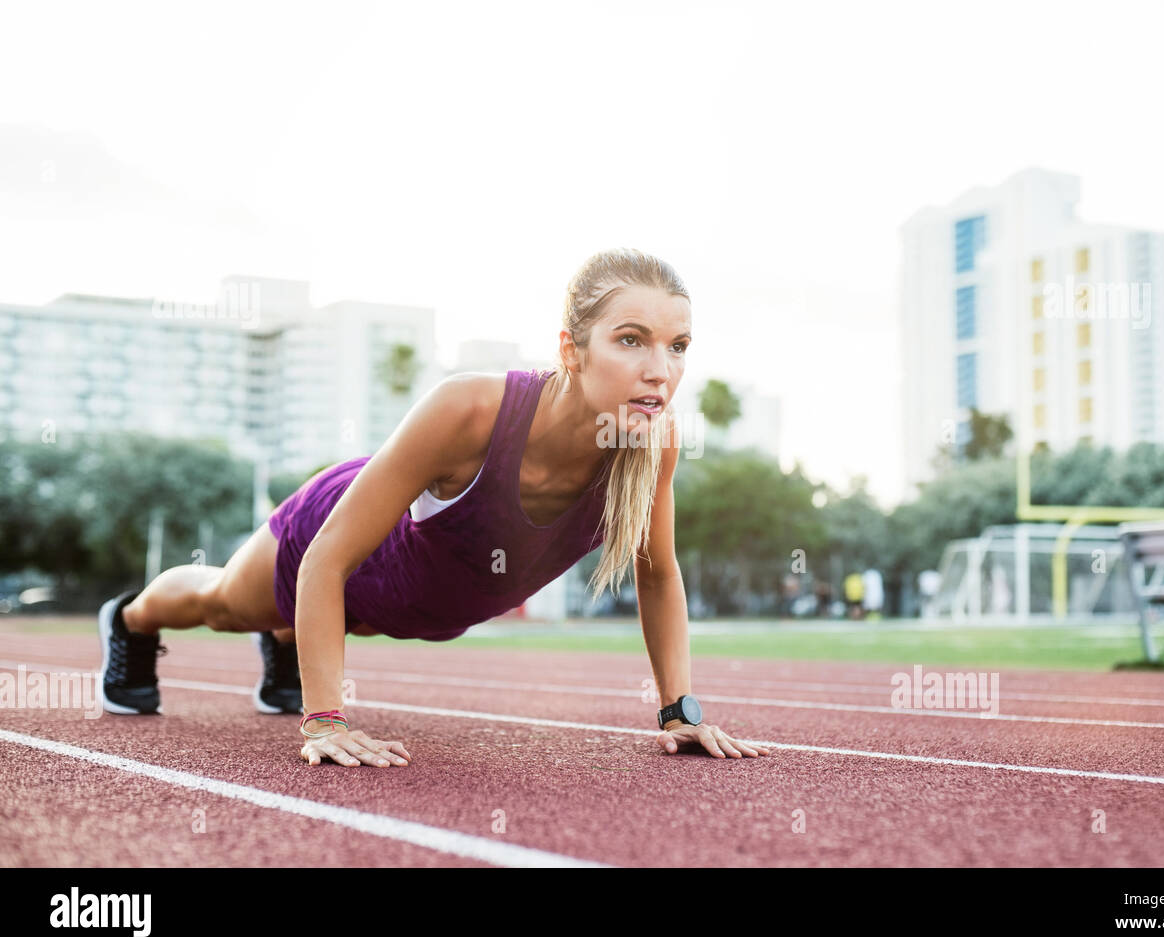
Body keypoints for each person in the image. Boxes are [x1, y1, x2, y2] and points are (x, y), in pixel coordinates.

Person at [97, 248, 771, 766]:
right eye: (632, 339)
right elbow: (329, 557)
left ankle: (289, 642)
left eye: (677, 346)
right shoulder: (470, 409)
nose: (661, 368)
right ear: (571, 349)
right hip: (334, 540)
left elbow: (657, 572)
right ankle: (130, 620)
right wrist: (326, 719)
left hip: (417, 603)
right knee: (222, 603)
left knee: (353, 622)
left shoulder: (654, 442)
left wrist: (677, 711)